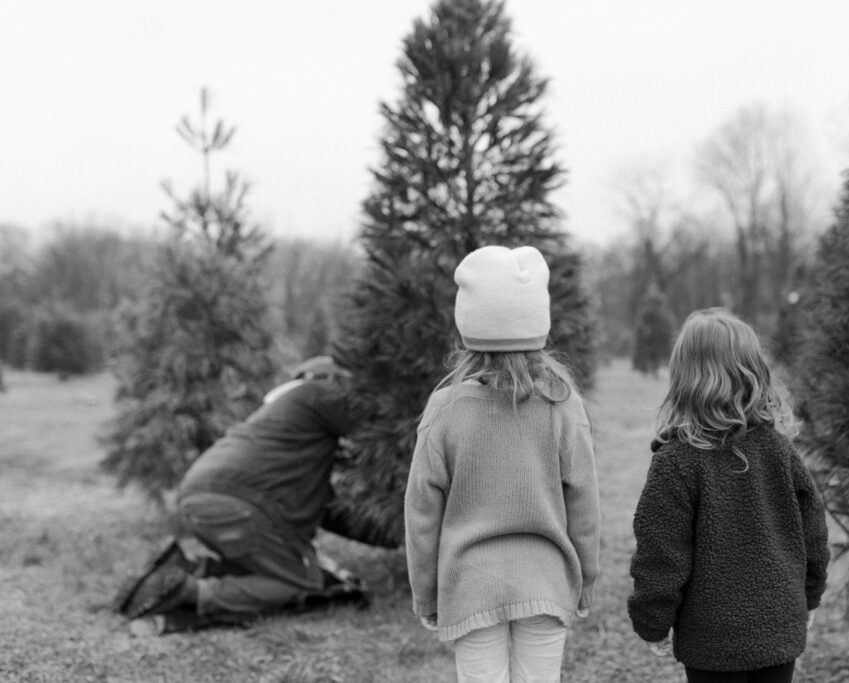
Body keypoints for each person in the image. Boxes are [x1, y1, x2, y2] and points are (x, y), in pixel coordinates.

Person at [404, 245, 601, 682]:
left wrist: (425, 591)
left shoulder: (445, 408)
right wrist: (586, 576)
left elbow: (421, 511)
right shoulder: (562, 405)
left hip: (470, 586)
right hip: (546, 583)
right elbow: (584, 499)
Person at [627, 308, 830, 683]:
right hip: (779, 624)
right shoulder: (780, 450)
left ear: (684, 379)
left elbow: (660, 554)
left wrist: (653, 621)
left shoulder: (676, 462)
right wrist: (809, 595)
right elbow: (814, 533)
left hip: (711, 638)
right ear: (753, 373)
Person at [116, 355, 382, 635]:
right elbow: (384, 433)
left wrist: (392, 534)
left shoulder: (286, 427)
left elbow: (329, 509)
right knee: (300, 582)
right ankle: (191, 591)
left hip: (199, 494)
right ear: (333, 380)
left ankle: (187, 572)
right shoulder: (316, 394)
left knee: (259, 569)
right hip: (237, 504)